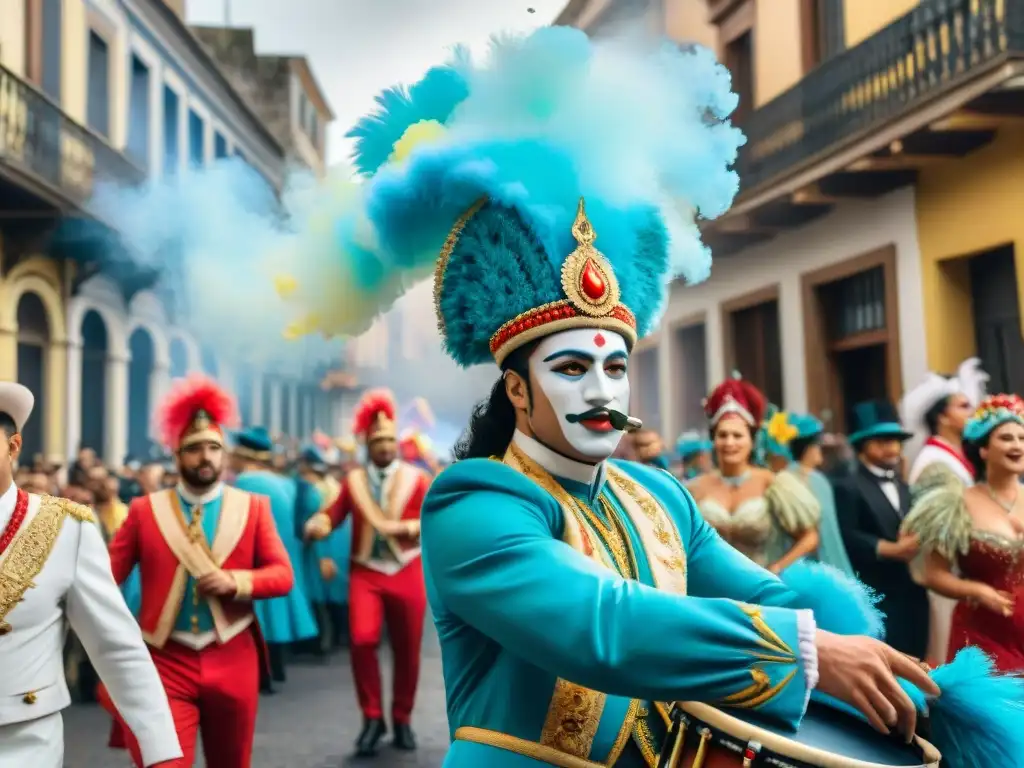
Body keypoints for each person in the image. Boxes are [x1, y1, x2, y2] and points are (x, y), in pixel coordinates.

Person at [280, 28, 937, 766]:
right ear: (518, 391)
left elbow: (768, 596)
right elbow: (603, 626)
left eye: (616, 368)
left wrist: (879, 664)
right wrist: (807, 652)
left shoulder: (659, 497)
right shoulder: (473, 502)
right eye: (569, 369)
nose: (602, 390)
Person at [102, 375, 294, 768]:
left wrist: (237, 581)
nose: (205, 457)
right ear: (177, 455)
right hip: (163, 659)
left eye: (213, 448)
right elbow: (103, 579)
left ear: (224, 454)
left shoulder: (254, 507)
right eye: (194, 449)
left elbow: (282, 575)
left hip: (233, 655)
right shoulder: (144, 510)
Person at [0, 382, 180, 768]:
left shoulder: (65, 527)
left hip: (23, 741)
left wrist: (160, 748)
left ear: (13, 447)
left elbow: (115, 644)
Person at [305, 388, 432, 756]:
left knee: (408, 649)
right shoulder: (353, 481)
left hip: (406, 568)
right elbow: (334, 514)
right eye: (378, 440)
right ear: (367, 443)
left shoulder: (418, 479)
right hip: (366, 572)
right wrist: (319, 523)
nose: (385, 445)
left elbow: (432, 521)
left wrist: (404, 530)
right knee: (361, 640)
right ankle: (372, 717)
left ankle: (403, 719)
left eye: (389, 439)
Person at [901, 393, 1024, 673]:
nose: (1017, 445)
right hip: (985, 633)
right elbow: (933, 573)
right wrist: (976, 590)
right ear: (983, 449)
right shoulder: (955, 503)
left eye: (1022, 438)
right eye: (1006, 438)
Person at [900, 357, 988, 665]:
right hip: (947, 577)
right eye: (962, 405)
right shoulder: (936, 464)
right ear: (942, 417)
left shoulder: (955, 458)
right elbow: (934, 537)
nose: (972, 410)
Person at [689, 379, 822, 574]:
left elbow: (809, 537)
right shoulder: (695, 487)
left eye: (737, 435)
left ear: (751, 440)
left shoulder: (773, 483)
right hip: (709, 591)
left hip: (759, 588)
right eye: (722, 435)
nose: (729, 442)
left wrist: (778, 567)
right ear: (713, 440)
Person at [835, 400, 930, 658]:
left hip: (913, 595)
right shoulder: (848, 486)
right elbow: (846, 535)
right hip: (876, 594)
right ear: (861, 445)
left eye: (895, 440)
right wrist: (887, 549)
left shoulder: (904, 486)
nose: (891, 447)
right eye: (881, 440)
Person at [229, 426, 319, 689]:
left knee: (260, 618)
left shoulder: (246, 483)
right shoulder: (283, 482)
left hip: (257, 556)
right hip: (283, 555)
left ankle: (264, 674)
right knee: (275, 615)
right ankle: (276, 669)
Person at [773, 413, 856, 578]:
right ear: (807, 447)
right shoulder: (792, 479)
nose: (820, 451)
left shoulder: (816, 479)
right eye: (817, 445)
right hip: (804, 564)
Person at [296, 445, 348, 655]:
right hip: (335, 546)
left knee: (318, 596)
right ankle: (336, 638)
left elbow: (315, 524)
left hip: (320, 546)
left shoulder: (314, 491)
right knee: (332, 596)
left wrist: (322, 554)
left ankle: (320, 642)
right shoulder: (333, 486)